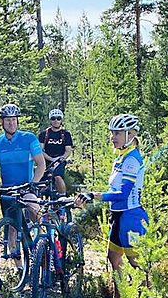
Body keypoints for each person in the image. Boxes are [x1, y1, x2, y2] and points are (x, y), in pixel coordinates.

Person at [0, 104, 46, 275]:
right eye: (8, 120)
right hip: (7, 190)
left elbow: (41, 164)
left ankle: (42, 245)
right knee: (11, 226)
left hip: (26, 186)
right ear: (2, 122)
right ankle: (19, 268)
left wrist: (35, 182)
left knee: (36, 210)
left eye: (14, 120)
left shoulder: (29, 138)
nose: (11, 123)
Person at [76, 113, 148, 271]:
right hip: (117, 216)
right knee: (113, 259)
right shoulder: (120, 157)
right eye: (112, 133)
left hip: (131, 216)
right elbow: (113, 189)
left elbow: (123, 194)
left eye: (117, 133)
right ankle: (120, 295)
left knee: (138, 266)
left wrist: (94, 195)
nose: (112, 137)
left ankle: (146, 295)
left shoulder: (131, 159)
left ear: (130, 134)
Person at [38, 108, 73, 198]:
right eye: (53, 118)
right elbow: (40, 150)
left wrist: (61, 159)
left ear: (61, 120)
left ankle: (62, 198)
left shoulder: (66, 134)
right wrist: (50, 159)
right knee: (40, 181)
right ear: (50, 120)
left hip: (60, 160)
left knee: (57, 177)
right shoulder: (44, 134)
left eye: (58, 118)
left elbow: (68, 150)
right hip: (46, 160)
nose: (56, 121)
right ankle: (40, 202)